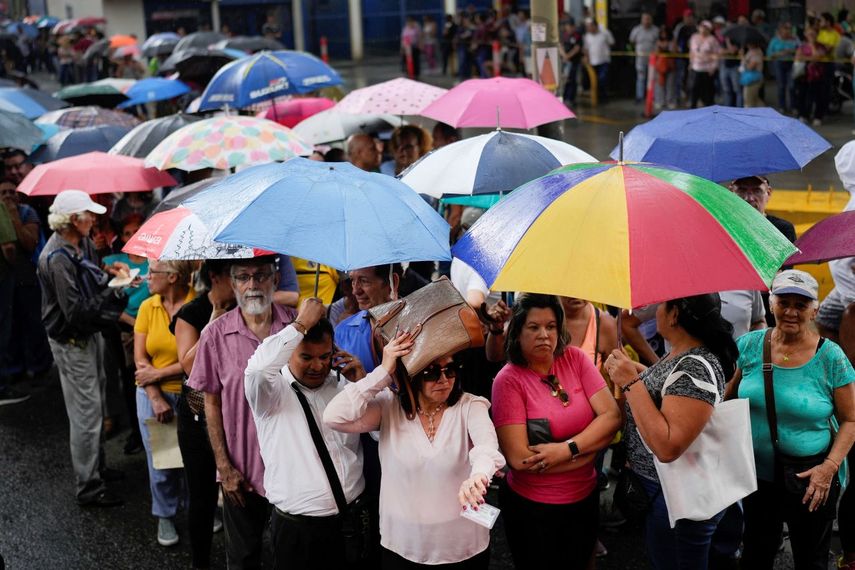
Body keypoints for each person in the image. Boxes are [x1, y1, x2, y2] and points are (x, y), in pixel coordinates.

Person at [325, 328, 506, 569]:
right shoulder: (388, 408)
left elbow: (486, 446)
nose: (444, 380)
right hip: (402, 544)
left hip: (462, 544)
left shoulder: (470, 406)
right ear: (412, 373)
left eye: (450, 370)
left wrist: (479, 476)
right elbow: (333, 417)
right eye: (432, 372)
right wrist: (383, 372)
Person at [728, 270, 855, 569]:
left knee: (810, 558)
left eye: (801, 305)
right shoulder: (749, 345)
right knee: (755, 553)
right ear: (771, 304)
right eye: (784, 302)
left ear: (816, 310)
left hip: (810, 480)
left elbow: (850, 420)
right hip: (758, 476)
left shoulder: (831, 357)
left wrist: (829, 468)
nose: (791, 312)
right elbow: (728, 397)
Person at [605, 293, 738, 570]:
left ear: (675, 314)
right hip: (666, 492)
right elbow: (667, 388)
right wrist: (637, 373)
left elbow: (668, 446)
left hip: (677, 498)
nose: (655, 312)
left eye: (660, 306)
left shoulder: (695, 367)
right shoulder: (682, 352)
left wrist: (630, 381)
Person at [491, 294, 621, 568]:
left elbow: (612, 416)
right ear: (517, 331)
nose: (544, 335)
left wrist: (567, 450)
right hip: (533, 511)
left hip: (584, 498)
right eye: (534, 327)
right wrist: (589, 448)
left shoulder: (574, 358)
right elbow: (520, 460)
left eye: (550, 326)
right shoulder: (509, 380)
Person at [188, 255, 296, 569]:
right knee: (243, 558)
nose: (253, 285)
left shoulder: (296, 327)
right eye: (244, 277)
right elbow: (210, 403)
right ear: (233, 283)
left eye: (261, 276)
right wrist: (224, 467)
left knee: (287, 557)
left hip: (291, 468)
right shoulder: (214, 335)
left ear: (275, 280)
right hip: (242, 470)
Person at [245, 298, 369, 568]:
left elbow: (383, 434)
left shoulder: (346, 384)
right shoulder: (270, 393)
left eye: (324, 356)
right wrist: (300, 325)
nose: (317, 366)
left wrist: (365, 385)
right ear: (289, 351)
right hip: (297, 533)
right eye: (306, 357)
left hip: (350, 524)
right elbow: (255, 370)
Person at [37, 190, 129, 507]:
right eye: (88, 214)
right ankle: (88, 486)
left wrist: (109, 273)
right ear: (74, 220)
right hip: (72, 340)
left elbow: (90, 276)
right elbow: (75, 312)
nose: (94, 218)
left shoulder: (81, 243)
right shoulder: (56, 258)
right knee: (86, 414)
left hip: (87, 335)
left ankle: (98, 470)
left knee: (97, 402)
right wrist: (115, 294)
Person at [172, 259, 234, 570]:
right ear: (215, 277)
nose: (242, 283)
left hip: (236, 417)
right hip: (197, 417)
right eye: (234, 275)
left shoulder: (248, 308)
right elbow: (188, 365)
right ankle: (200, 563)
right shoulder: (191, 313)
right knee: (202, 498)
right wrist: (214, 323)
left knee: (241, 493)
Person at [133, 259, 195, 546]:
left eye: (152, 272)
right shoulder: (148, 306)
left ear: (172, 277)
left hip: (190, 392)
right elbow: (140, 360)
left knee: (194, 459)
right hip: (151, 391)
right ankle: (165, 515)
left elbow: (197, 359)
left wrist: (159, 372)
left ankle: (198, 510)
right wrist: (156, 396)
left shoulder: (197, 304)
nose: (147, 277)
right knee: (161, 463)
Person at [0, 180, 50, 403]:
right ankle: (14, 369)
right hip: (7, 279)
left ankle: (39, 367)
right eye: (4, 192)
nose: (9, 196)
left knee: (33, 321)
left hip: (27, 276)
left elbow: (29, 243)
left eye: (13, 192)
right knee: (10, 326)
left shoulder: (27, 212)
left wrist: (12, 217)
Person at [817, 143, 855, 342]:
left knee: (847, 314)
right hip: (845, 285)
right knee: (825, 318)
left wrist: (850, 297)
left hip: (850, 290)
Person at [728, 176, 796, 243]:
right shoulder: (723, 228)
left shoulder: (782, 229)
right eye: (742, 190)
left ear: (768, 193)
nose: (749, 198)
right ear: (730, 192)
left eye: (757, 191)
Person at [794, 28, 829, 126]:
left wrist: (812, 46)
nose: (811, 36)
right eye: (809, 34)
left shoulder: (820, 46)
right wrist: (811, 58)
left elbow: (818, 57)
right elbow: (798, 57)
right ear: (805, 34)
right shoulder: (801, 46)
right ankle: (803, 115)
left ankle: (818, 116)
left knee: (818, 97)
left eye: (813, 34)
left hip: (817, 76)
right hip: (804, 75)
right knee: (802, 96)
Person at [767, 22, 800, 114]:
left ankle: (793, 106)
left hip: (791, 63)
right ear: (780, 30)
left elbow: (801, 49)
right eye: (785, 29)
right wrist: (779, 54)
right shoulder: (775, 40)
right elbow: (769, 54)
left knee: (792, 86)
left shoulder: (795, 39)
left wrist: (791, 51)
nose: (787, 31)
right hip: (779, 63)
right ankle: (782, 106)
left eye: (789, 29)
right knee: (781, 86)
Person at [688, 21, 720, 108]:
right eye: (702, 27)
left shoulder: (712, 39)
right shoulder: (694, 37)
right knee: (694, 89)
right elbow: (691, 51)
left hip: (707, 69)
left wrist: (713, 67)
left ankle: (708, 108)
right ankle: (692, 108)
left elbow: (717, 54)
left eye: (706, 28)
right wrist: (690, 63)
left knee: (707, 91)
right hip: (696, 67)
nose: (703, 30)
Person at [629, 13, 659, 104]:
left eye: (648, 19)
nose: (646, 21)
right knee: (641, 77)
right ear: (642, 20)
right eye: (645, 19)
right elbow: (631, 41)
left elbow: (658, 42)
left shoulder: (655, 30)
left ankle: (651, 97)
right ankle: (639, 97)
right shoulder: (636, 30)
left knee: (652, 78)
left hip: (653, 59)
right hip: (640, 58)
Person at [583, 19, 614, 102]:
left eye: (590, 27)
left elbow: (611, 43)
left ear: (595, 26)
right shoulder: (587, 36)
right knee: (594, 81)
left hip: (604, 60)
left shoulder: (605, 33)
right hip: (592, 62)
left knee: (602, 79)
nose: (588, 29)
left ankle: (604, 97)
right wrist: (586, 57)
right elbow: (585, 49)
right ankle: (598, 97)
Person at [559, 18, 583, 107]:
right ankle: (564, 97)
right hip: (565, 62)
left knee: (572, 80)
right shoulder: (564, 35)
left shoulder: (577, 35)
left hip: (574, 61)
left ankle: (570, 99)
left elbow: (577, 48)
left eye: (569, 26)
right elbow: (560, 45)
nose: (568, 28)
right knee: (565, 80)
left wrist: (568, 56)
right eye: (567, 26)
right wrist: (564, 55)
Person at [741, 39, 765, 107]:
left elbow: (751, 67)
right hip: (750, 78)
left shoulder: (756, 52)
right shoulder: (751, 51)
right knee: (754, 99)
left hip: (753, 79)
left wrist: (743, 58)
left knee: (749, 101)